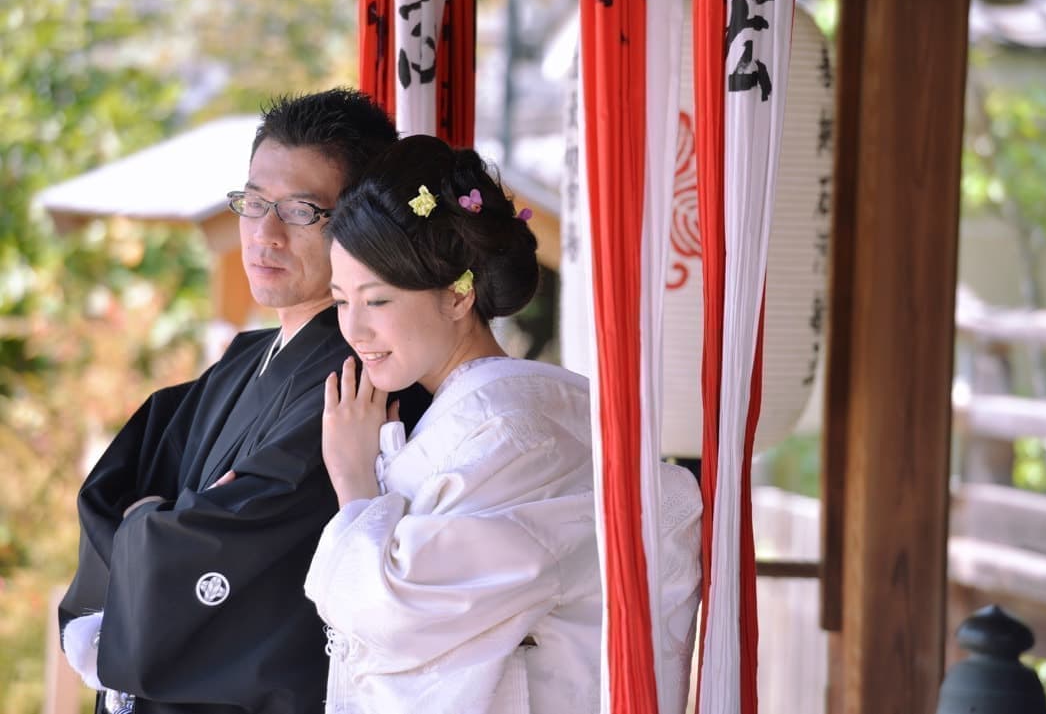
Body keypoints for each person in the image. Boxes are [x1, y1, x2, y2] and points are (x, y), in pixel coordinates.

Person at [58, 88, 431, 714]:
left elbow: (223, 541)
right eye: (253, 203)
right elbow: (117, 488)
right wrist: (164, 518)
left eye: (301, 211)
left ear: (361, 222)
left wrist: (149, 522)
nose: (264, 234)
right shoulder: (247, 356)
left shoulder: (359, 379)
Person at [304, 134, 702, 714]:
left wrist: (353, 485)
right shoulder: (500, 416)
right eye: (342, 301)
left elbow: (393, 618)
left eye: (378, 301)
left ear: (458, 294)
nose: (355, 329)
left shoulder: (510, 435)